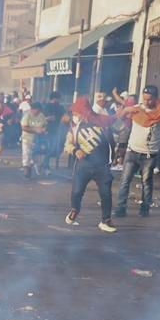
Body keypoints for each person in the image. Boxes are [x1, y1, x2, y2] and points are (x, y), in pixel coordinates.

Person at [115, 85, 160, 218]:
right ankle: (121, 208)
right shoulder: (136, 110)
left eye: (150, 99)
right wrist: (125, 109)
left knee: (146, 182)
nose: (146, 102)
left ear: (155, 99)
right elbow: (118, 118)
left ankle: (145, 208)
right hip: (132, 151)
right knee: (124, 181)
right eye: (144, 99)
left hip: (149, 154)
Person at [63, 97, 117, 233]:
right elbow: (67, 144)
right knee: (77, 191)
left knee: (106, 194)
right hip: (84, 164)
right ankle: (75, 210)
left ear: (84, 112)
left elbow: (114, 136)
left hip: (102, 165)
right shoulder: (75, 128)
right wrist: (76, 150)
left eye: (77, 112)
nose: (74, 115)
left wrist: (116, 154)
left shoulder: (102, 123)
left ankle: (106, 220)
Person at [20, 101, 47, 179]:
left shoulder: (41, 115)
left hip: (38, 140)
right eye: (37, 110)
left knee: (38, 156)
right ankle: (26, 172)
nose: (38, 112)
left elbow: (45, 124)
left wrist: (44, 129)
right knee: (26, 156)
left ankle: (32, 165)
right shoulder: (27, 115)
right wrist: (35, 130)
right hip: (27, 139)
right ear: (33, 109)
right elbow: (24, 127)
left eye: (39, 110)